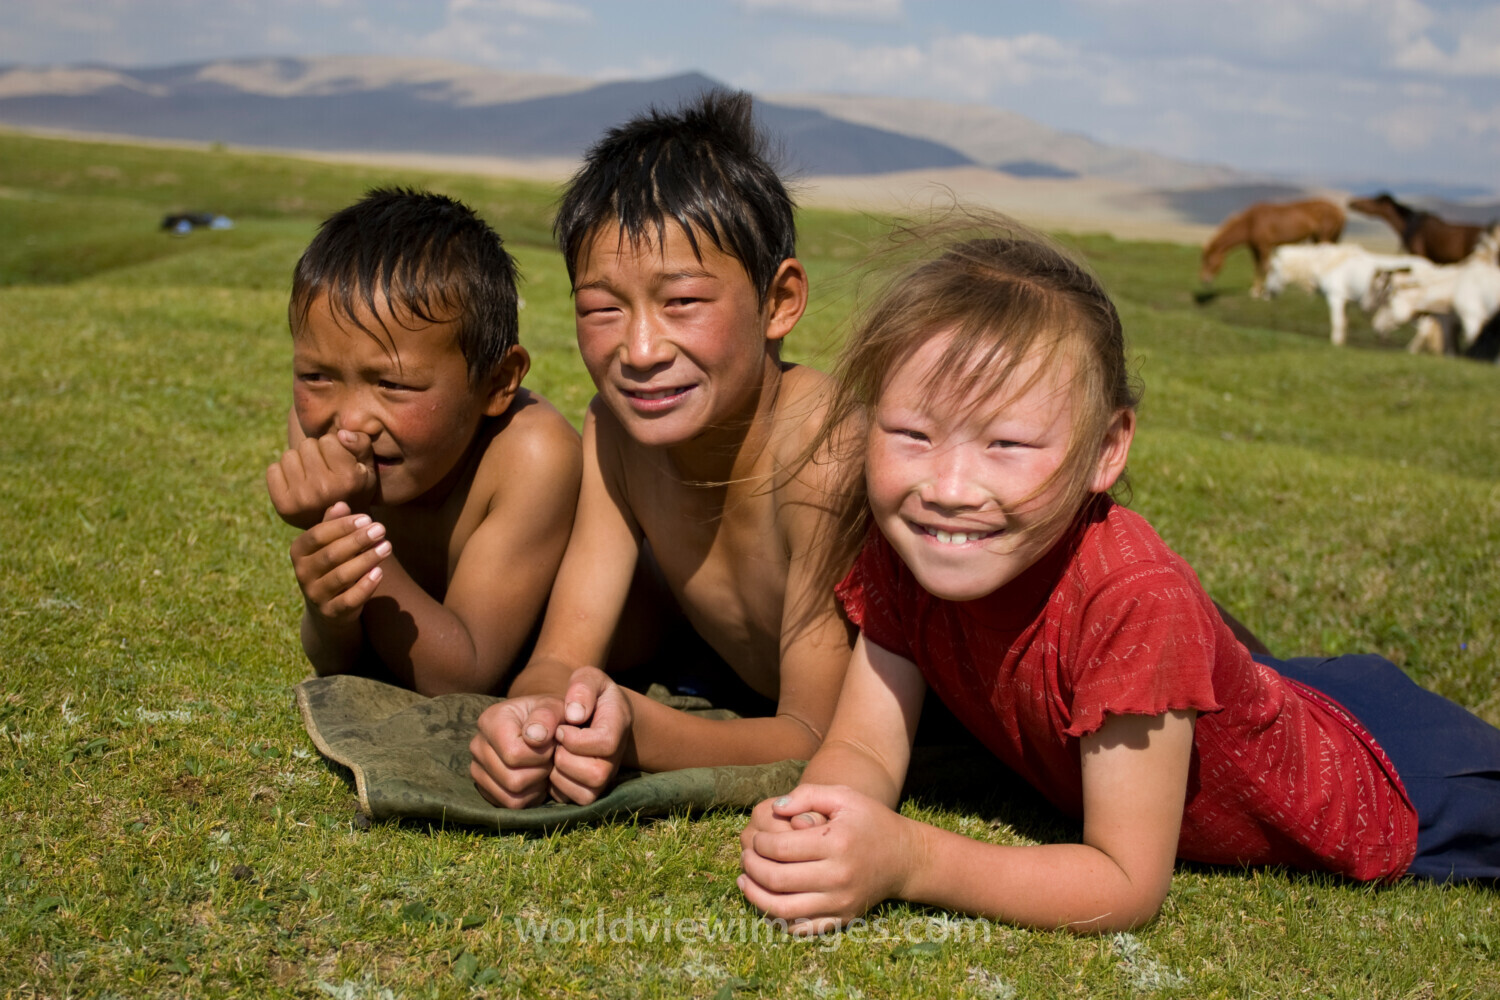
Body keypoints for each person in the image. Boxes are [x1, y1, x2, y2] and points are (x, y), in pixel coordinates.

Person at [737, 213, 1500, 934]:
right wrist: (824, 818)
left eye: (1005, 444)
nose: (948, 486)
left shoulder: (1136, 599)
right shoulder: (905, 548)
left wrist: (906, 858)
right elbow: (867, 747)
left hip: (1412, 790)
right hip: (1298, 696)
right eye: (911, 433)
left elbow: (1125, 881)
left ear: (1108, 448)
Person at [467, 91, 855, 808]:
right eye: (601, 309)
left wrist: (645, 732)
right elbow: (560, 655)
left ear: (780, 301)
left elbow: (813, 736)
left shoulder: (823, 451)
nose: (640, 351)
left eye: (682, 302)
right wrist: (534, 718)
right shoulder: (616, 434)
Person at [266, 188, 581, 696]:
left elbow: (463, 676)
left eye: (392, 385)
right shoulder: (317, 432)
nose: (347, 423)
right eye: (316, 376)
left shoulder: (532, 454)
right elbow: (338, 658)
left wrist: (349, 528)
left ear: (499, 381)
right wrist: (333, 606)